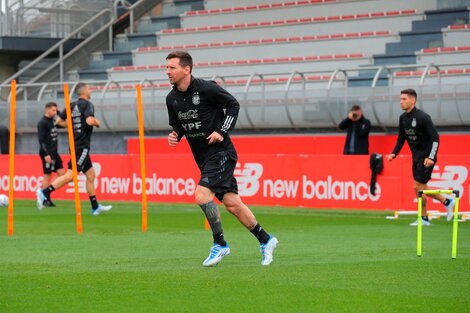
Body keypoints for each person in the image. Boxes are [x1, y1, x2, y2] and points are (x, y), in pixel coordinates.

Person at [165, 51, 278, 267]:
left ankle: (220, 244)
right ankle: (266, 239)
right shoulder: (171, 99)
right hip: (203, 158)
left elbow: (233, 105)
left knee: (201, 195)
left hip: (221, 153)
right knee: (232, 204)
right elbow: (178, 124)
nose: (167, 71)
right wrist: (176, 135)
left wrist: (221, 131)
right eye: (167, 68)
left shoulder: (206, 88)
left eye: (172, 67)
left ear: (186, 69)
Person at [36, 83, 112, 216]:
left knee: (91, 175)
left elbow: (59, 121)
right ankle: (44, 192)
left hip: (76, 145)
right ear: (84, 92)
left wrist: (73, 126)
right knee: (71, 175)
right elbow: (89, 120)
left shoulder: (71, 105)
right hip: (81, 146)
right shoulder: (88, 104)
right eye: (89, 88)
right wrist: (97, 122)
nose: (91, 90)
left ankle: (95, 207)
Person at [386, 88, 454, 226]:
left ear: (413, 100)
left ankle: (424, 218)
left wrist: (431, 157)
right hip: (416, 158)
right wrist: (394, 153)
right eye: (400, 99)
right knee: (421, 187)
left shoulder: (423, 117)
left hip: (426, 158)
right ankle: (446, 202)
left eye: (404, 99)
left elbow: (435, 137)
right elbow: (401, 138)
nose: (401, 102)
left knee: (417, 186)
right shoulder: (403, 118)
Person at [37, 102, 66, 207]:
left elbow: (65, 124)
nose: (55, 112)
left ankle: (47, 191)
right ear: (47, 109)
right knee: (47, 175)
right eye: (53, 110)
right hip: (47, 153)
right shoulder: (42, 123)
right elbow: (41, 140)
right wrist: (46, 154)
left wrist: (59, 113)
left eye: (55, 110)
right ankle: (45, 198)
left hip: (55, 152)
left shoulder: (53, 121)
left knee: (62, 173)